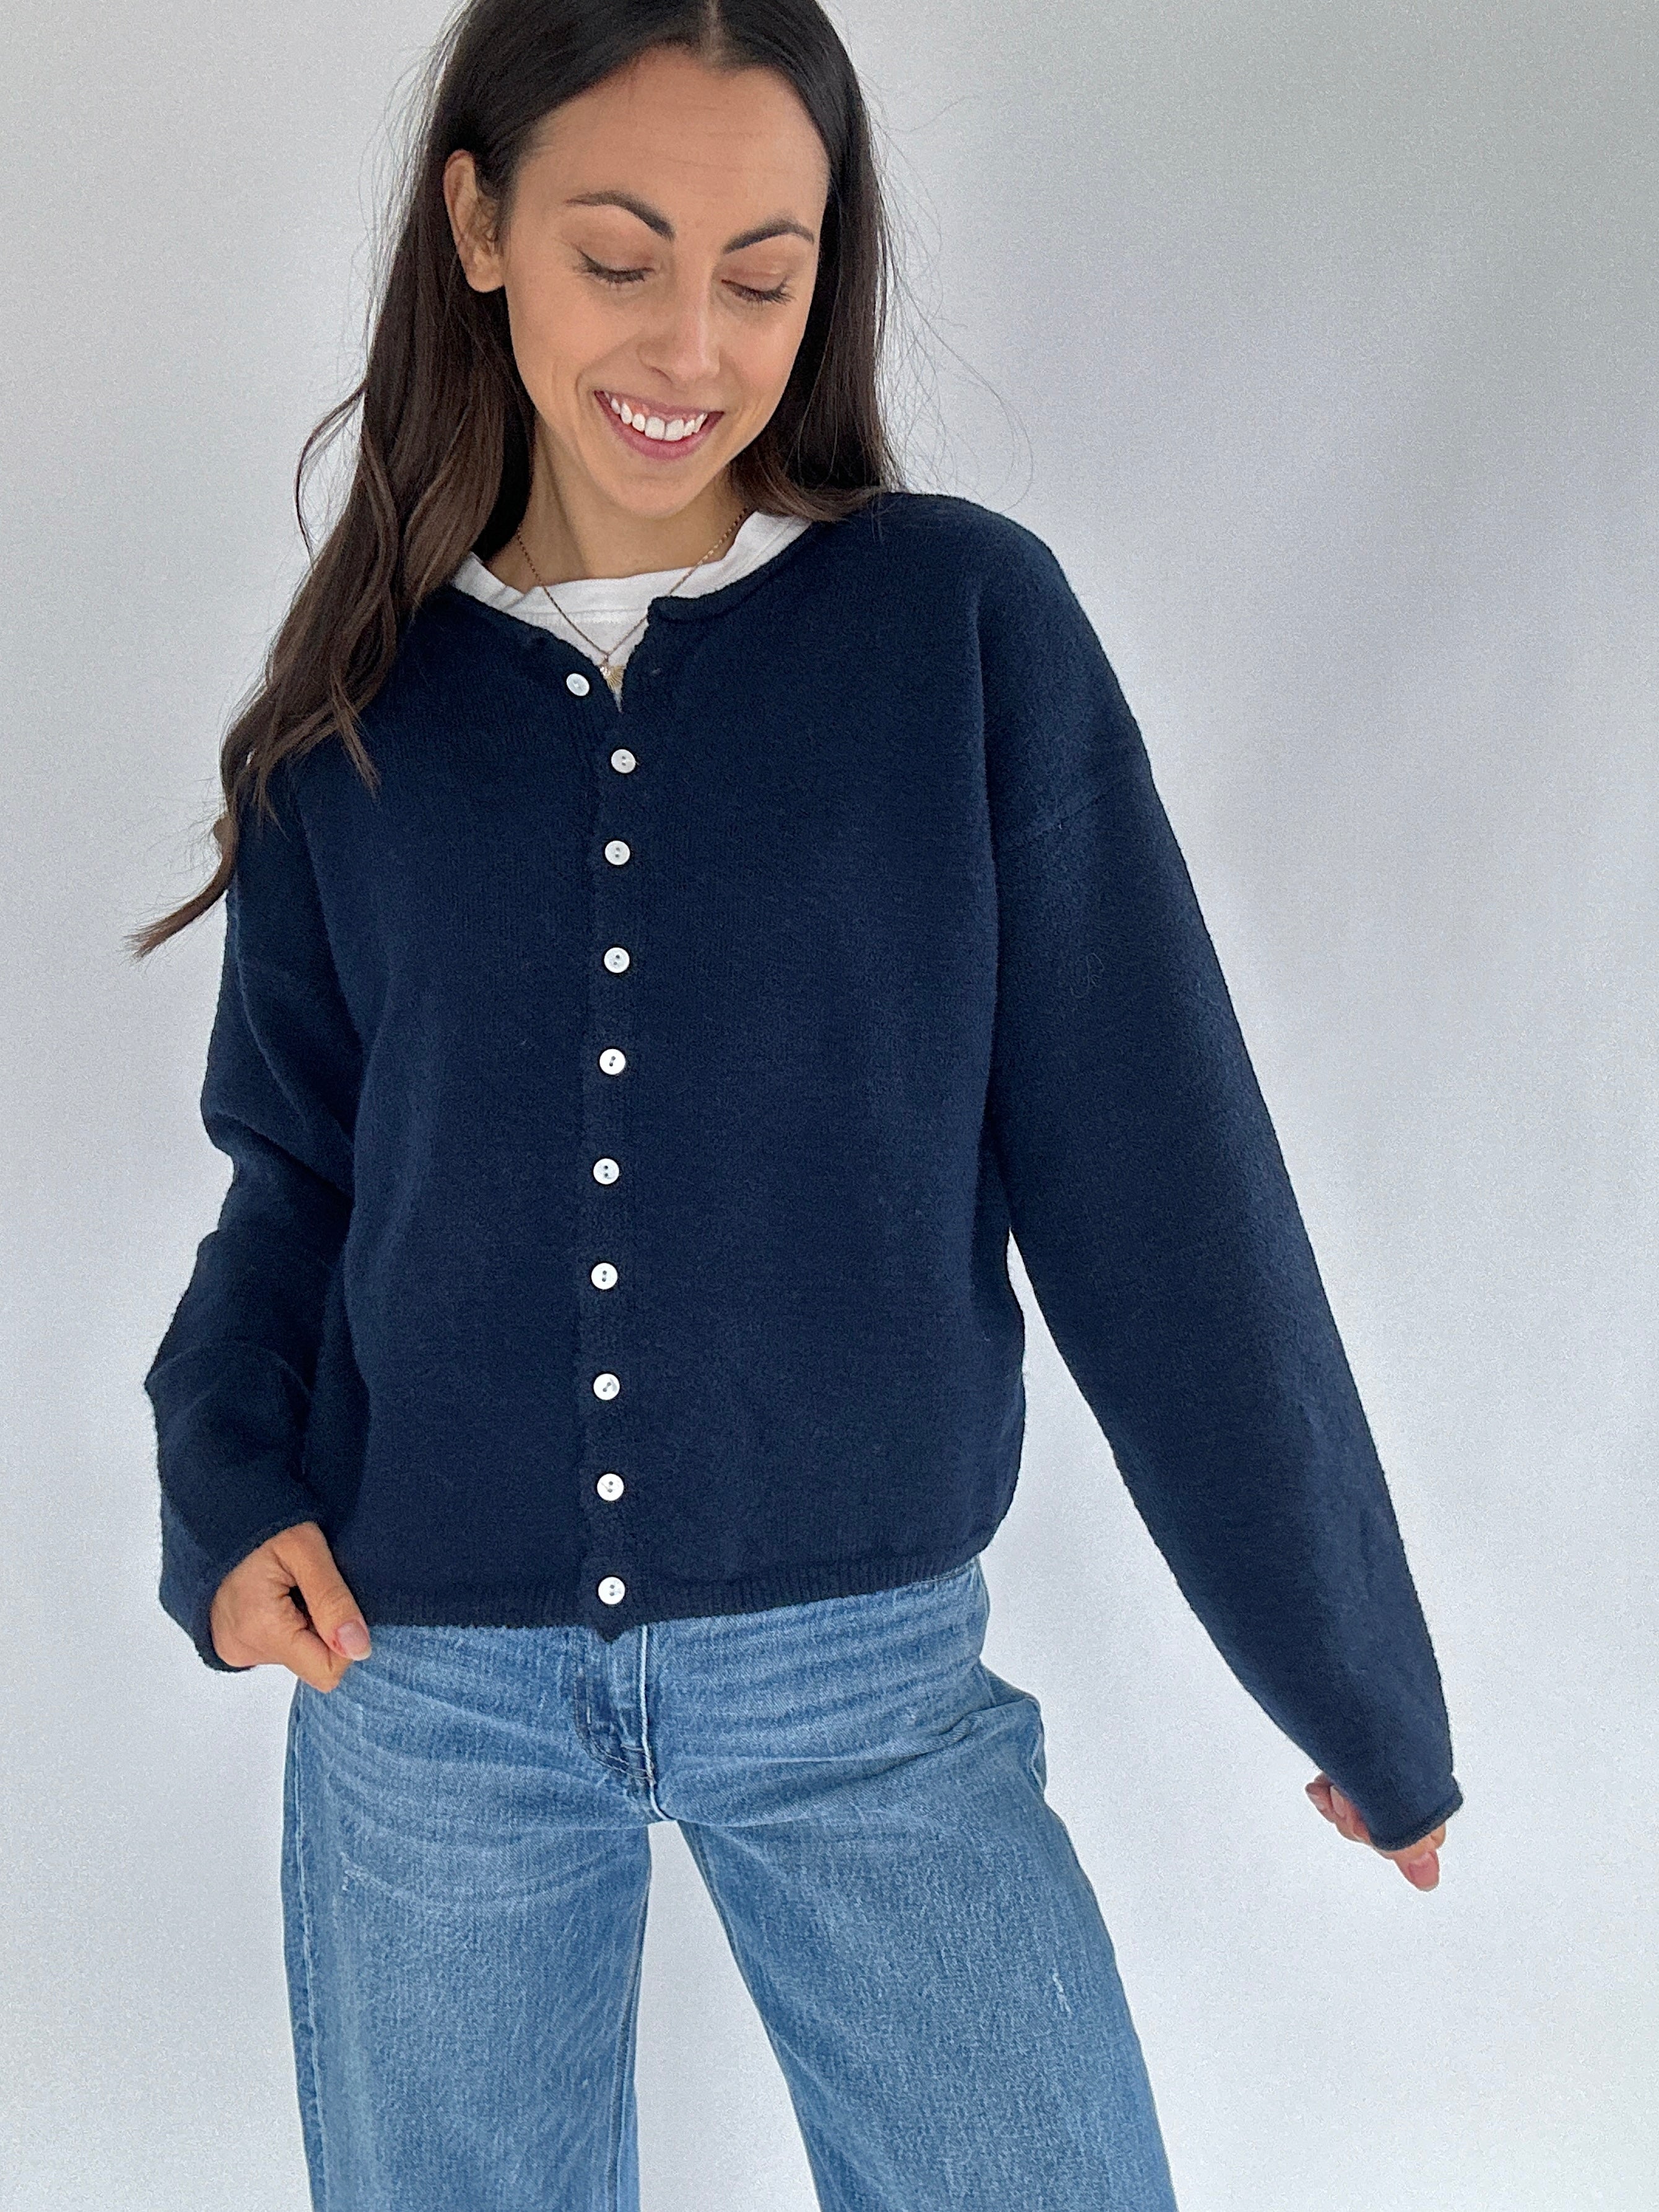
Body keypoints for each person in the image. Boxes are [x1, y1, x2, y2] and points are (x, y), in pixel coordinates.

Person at [131, 4, 1463, 2207]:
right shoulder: (354, 717)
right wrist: (225, 1492)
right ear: (479, 223)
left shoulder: (958, 628)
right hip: (419, 1677)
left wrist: (1356, 1682)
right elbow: (293, 1181)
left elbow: (1163, 1187)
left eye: (764, 274)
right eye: (620, 257)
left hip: (862, 1680)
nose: (693, 344)